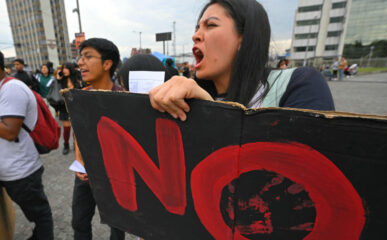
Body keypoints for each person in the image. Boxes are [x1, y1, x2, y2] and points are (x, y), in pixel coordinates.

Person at [149, 0, 334, 120]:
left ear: (244, 38)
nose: (196, 35)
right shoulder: (188, 102)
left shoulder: (297, 84)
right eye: (197, 28)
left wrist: (212, 114)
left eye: (211, 25)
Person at [73, 38, 125, 240]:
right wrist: (79, 160)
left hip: (114, 177)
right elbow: (78, 133)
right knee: (79, 222)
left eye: (88, 57)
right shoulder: (79, 96)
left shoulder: (124, 99)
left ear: (107, 64)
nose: (80, 63)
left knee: (117, 225)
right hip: (85, 175)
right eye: (80, 57)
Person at [0, 51, 54, 239]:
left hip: (21, 171)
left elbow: (9, 131)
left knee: (40, 214)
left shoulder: (11, 89)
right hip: (8, 168)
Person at [57, 63, 81, 155]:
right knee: (66, 128)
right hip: (64, 106)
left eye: (66, 68)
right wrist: (58, 79)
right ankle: (66, 145)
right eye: (63, 68)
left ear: (71, 69)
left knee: (76, 128)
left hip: (75, 106)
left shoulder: (77, 78)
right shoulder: (61, 79)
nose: (64, 70)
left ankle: (76, 144)